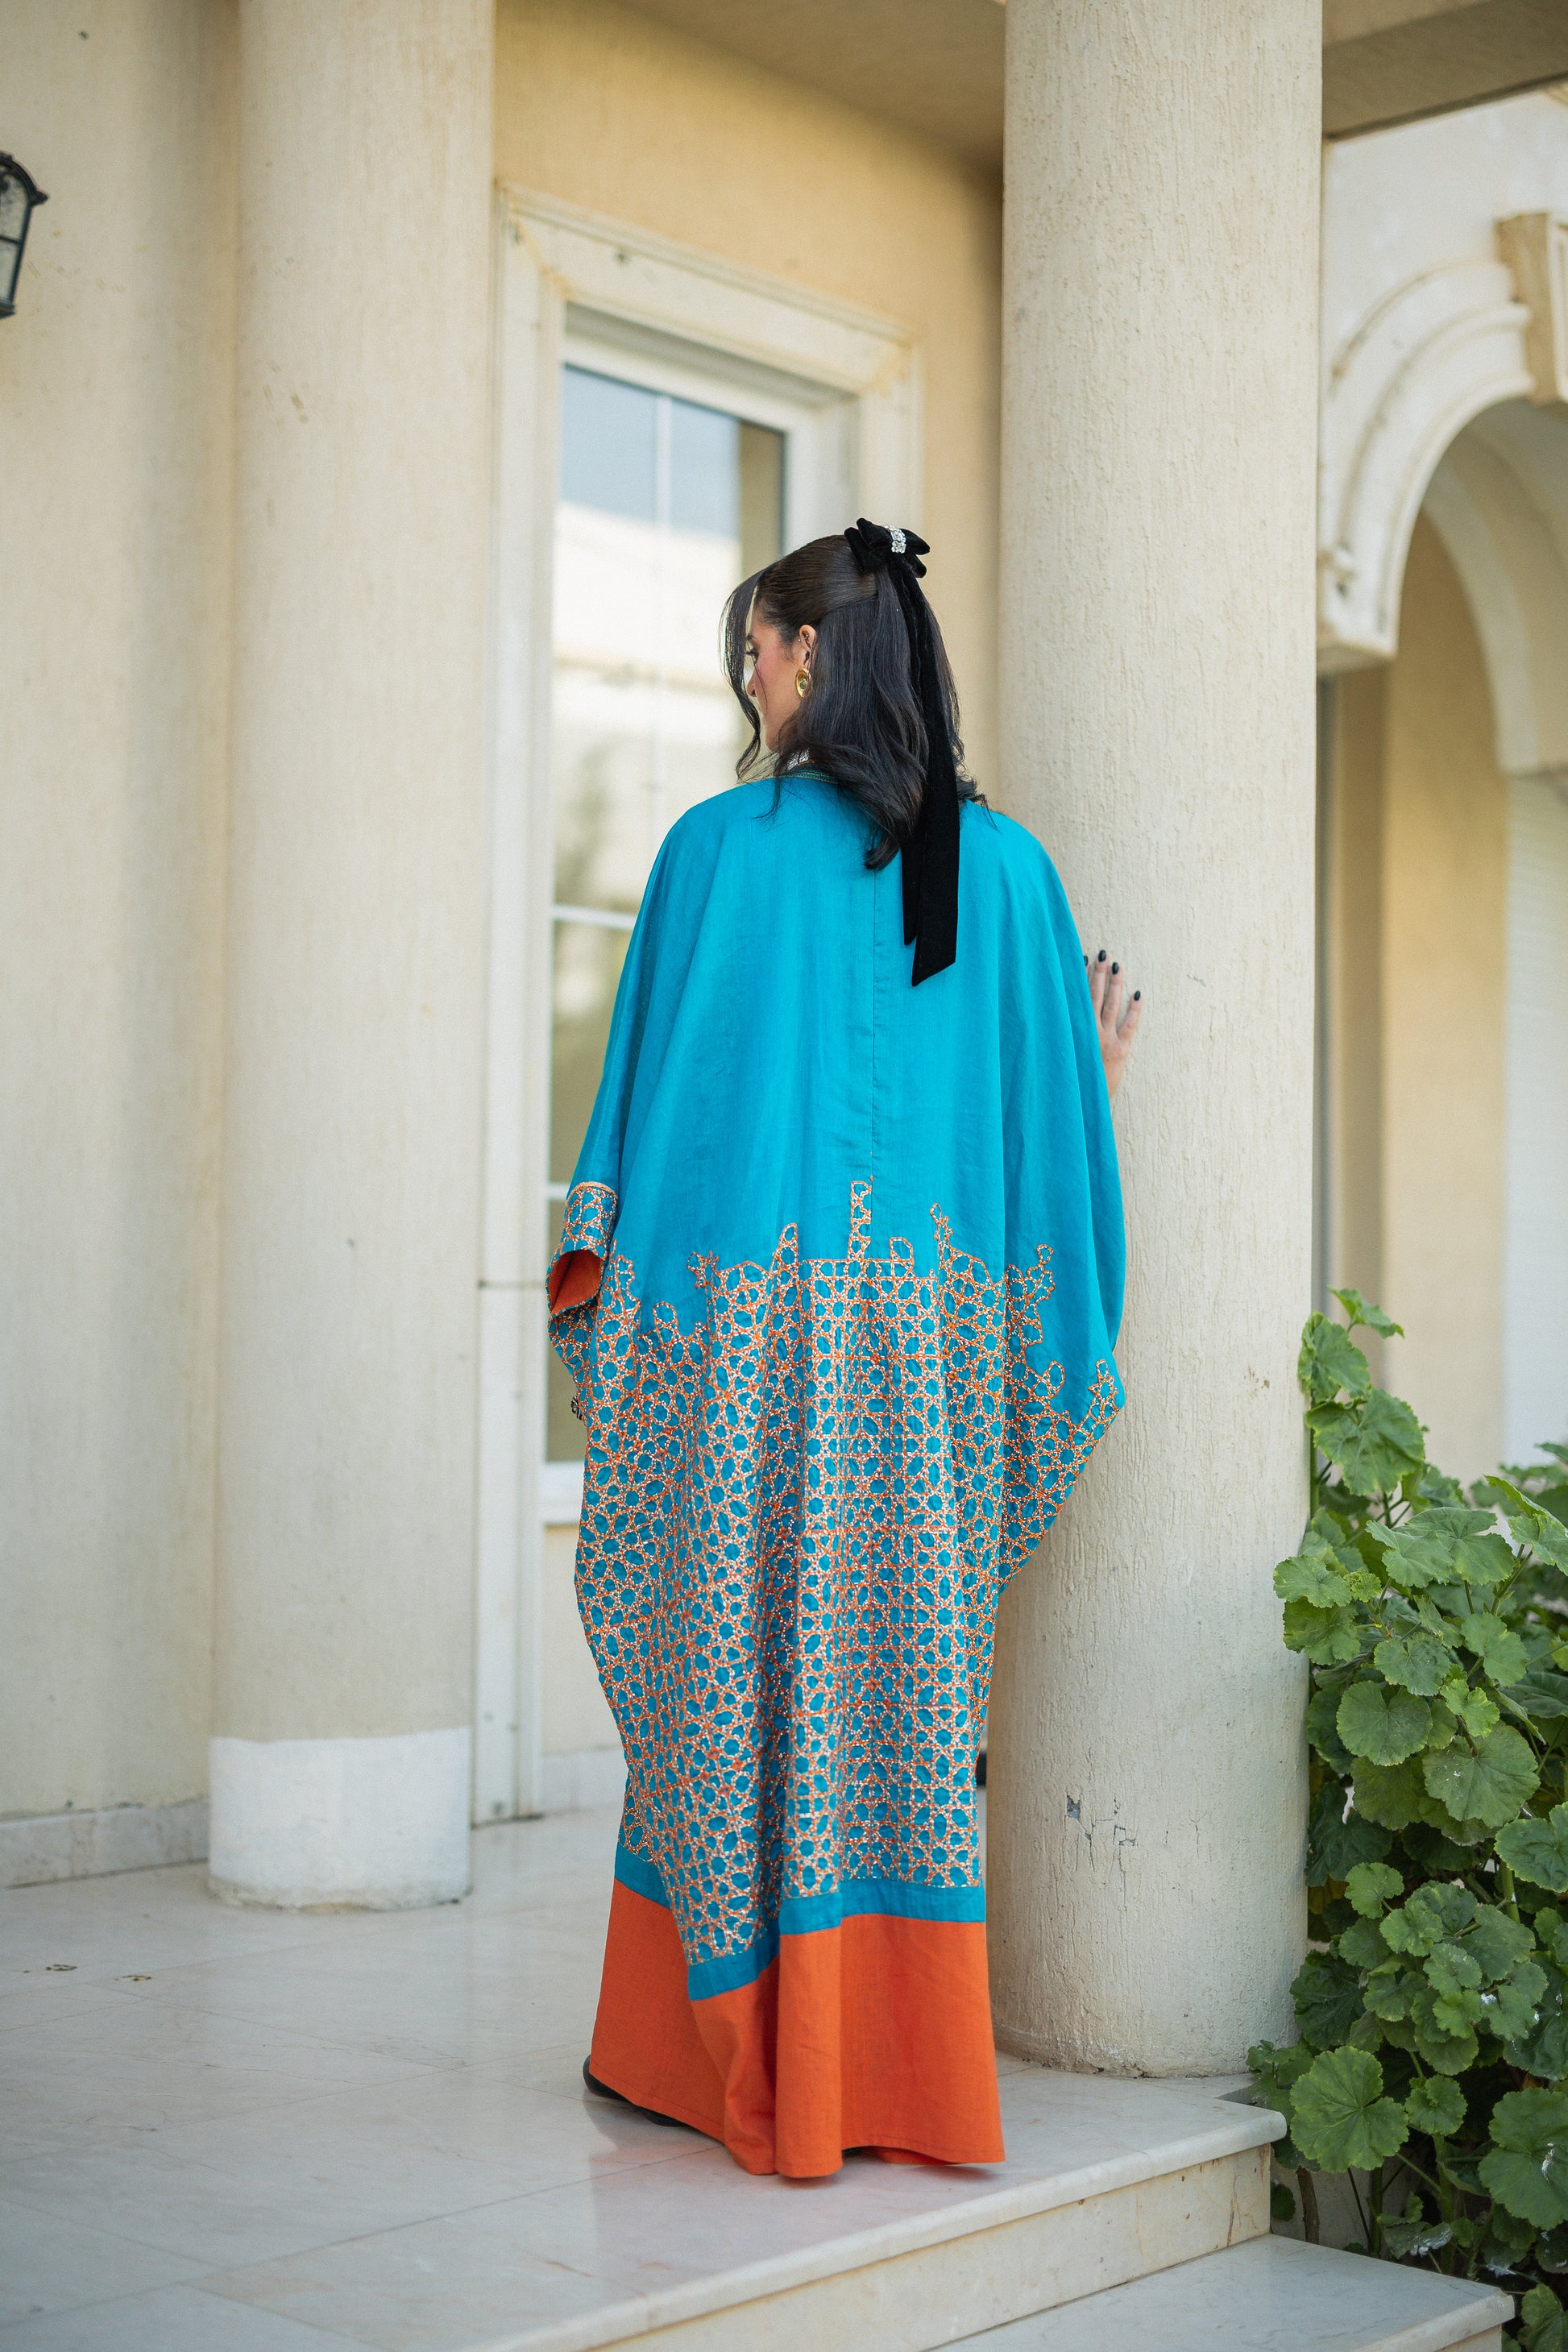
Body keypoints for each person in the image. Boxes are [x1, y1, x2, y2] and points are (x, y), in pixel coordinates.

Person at [548, 521, 1138, 2179]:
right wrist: (1084, 1076)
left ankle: (695, 2049)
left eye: (757, 646)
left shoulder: (713, 853)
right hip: (924, 1393)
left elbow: (655, 1114)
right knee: (893, 1701)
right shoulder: (1005, 876)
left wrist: (624, 1289)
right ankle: (886, 2070)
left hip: (744, 1369)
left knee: (720, 1678)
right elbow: (1043, 1148)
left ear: (811, 653)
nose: (749, 677)